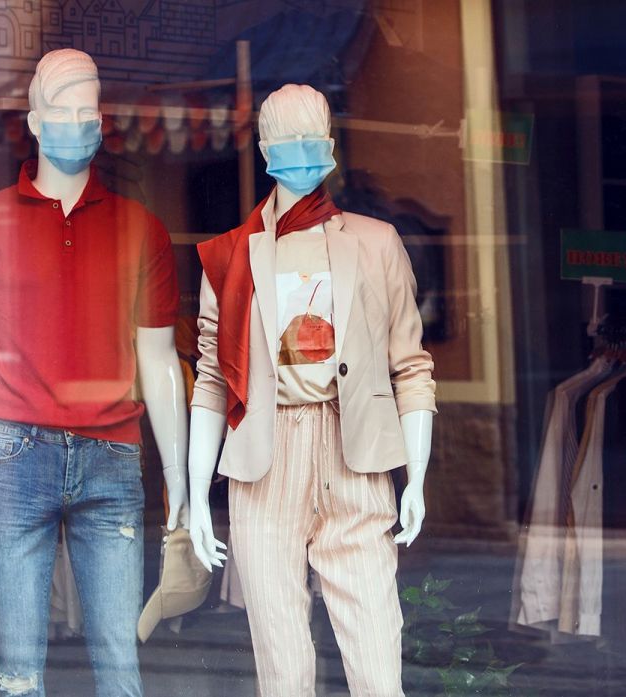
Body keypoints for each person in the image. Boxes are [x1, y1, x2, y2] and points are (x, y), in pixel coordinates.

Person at [0, 48, 188, 697]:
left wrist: (179, 475)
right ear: (36, 119)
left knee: (118, 665)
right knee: (19, 673)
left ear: (101, 121)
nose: (77, 121)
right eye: (63, 108)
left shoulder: (142, 230)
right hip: (17, 453)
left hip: (113, 455)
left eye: (89, 109)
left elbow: (160, 358)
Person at [187, 83, 436, 697]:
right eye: (288, 138)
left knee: (378, 660)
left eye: (313, 136)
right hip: (266, 464)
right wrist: (196, 494)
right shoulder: (231, 258)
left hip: (354, 456)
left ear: (331, 144)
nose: (302, 149)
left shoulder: (376, 244)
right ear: (265, 148)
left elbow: (411, 365)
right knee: (283, 665)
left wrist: (417, 480)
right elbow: (213, 379)